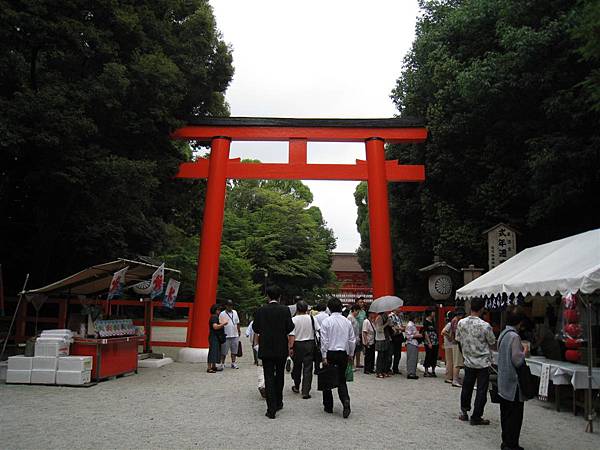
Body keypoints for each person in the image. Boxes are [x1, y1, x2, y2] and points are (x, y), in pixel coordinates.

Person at [252, 286, 295, 419]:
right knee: (280, 375)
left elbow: (256, 327)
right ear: (279, 297)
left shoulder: (261, 310)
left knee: (269, 376)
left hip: (266, 347)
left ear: (268, 297)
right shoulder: (285, 310)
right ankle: (279, 401)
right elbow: (290, 327)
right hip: (281, 347)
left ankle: (271, 408)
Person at [455, 298, 496, 425]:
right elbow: (492, 342)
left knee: (467, 387)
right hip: (482, 362)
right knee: (481, 390)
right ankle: (476, 416)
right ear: (482, 309)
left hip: (468, 360)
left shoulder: (461, 323)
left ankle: (464, 411)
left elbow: (458, 339)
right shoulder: (485, 326)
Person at [320, 297, 356, 418]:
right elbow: (352, 340)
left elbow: (324, 341)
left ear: (329, 308)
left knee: (327, 379)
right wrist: (351, 354)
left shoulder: (326, 322)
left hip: (330, 352)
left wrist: (323, 356)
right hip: (343, 353)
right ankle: (345, 400)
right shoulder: (347, 322)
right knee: (341, 379)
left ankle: (328, 405)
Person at [497, 310, 527, 450]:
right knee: (515, 415)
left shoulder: (503, 334)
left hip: (503, 379)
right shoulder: (514, 336)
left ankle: (505, 441)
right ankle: (512, 443)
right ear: (519, 323)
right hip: (513, 382)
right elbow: (517, 359)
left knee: (505, 413)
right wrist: (524, 353)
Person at [289, 300, 319, 399]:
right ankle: (305, 391)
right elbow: (318, 330)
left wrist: (291, 347)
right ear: (307, 309)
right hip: (309, 344)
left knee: (297, 366)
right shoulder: (312, 318)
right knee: (308, 368)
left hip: (297, 344)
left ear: (297, 308)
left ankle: (297, 385)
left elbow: (292, 335)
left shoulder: (293, 320)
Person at [219, 300, 241, 369]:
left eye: (231, 305)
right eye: (228, 305)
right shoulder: (222, 314)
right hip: (226, 335)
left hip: (235, 334)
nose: (230, 307)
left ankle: (233, 363)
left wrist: (239, 330)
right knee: (224, 351)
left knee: (234, 350)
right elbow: (220, 324)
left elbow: (237, 322)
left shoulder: (235, 312)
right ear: (226, 306)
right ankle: (222, 363)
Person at [207, 304, 228, 373]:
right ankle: (209, 367)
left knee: (215, 351)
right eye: (218, 309)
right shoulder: (214, 317)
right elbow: (215, 327)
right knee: (213, 351)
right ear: (215, 310)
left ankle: (213, 366)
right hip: (214, 336)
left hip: (215, 336)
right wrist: (223, 324)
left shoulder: (215, 317)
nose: (219, 311)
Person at [450, 308, 466, 386]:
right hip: (457, 343)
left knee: (457, 362)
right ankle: (455, 379)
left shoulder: (454, 320)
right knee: (457, 362)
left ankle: (455, 379)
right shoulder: (456, 321)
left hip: (455, 342)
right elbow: (457, 333)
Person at [374, 312, 392, 378]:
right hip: (380, 338)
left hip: (386, 338)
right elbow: (379, 329)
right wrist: (387, 323)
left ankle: (384, 371)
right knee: (380, 356)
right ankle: (379, 372)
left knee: (386, 356)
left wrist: (389, 322)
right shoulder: (379, 318)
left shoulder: (386, 317)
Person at [404, 312, 422, 379]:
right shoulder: (410, 325)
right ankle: (410, 373)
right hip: (411, 343)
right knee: (411, 358)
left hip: (414, 343)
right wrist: (417, 335)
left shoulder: (412, 324)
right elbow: (408, 336)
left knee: (414, 358)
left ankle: (412, 372)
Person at [422, 309, 439, 377]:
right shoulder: (425, 321)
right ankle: (426, 371)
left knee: (434, 355)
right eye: (433, 312)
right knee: (428, 355)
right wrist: (429, 342)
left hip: (435, 340)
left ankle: (433, 370)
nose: (434, 313)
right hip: (429, 340)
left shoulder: (433, 321)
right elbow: (425, 332)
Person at [389, 307, 405, 374]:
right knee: (391, 353)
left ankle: (395, 368)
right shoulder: (390, 316)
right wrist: (400, 329)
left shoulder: (399, 316)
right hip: (393, 336)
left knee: (398, 354)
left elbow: (400, 324)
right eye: (399, 308)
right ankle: (388, 368)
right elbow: (391, 326)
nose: (400, 309)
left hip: (399, 336)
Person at [441, 311, 455, 384]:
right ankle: (448, 377)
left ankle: (451, 376)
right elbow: (443, 332)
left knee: (451, 361)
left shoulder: (450, 324)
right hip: (449, 345)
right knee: (450, 361)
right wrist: (450, 337)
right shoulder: (449, 324)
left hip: (449, 345)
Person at [347, 304, 362, 371]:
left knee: (354, 351)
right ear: (354, 310)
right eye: (357, 312)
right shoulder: (350, 317)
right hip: (351, 337)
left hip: (355, 337)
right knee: (351, 352)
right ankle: (350, 365)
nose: (358, 314)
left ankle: (352, 365)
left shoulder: (354, 318)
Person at [354, 298, 367, 368]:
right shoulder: (354, 311)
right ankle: (352, 364)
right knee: (354, 348)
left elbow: (365, 320)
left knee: (359, 349)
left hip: (362, 332)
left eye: (362, 302)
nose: (362, 303)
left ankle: (358, 363)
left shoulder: (363, 312)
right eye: (360, 302)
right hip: (355, 332)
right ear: (357, 303)